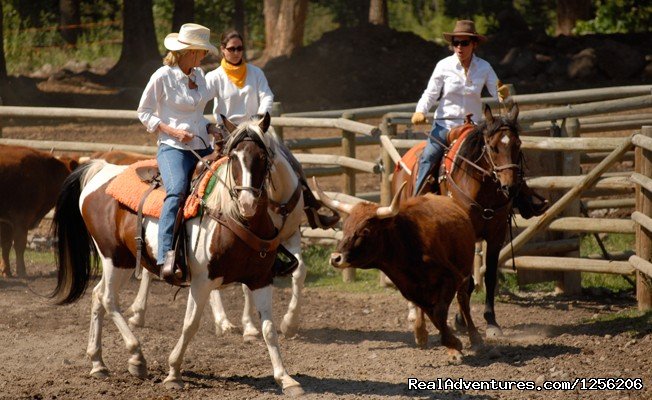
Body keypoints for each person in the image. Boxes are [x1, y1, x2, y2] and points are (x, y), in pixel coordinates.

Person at [411, 19, 547, 218]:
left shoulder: (484, 67)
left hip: (473, 127)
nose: (459, 47)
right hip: (445, 125)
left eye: (464, 43)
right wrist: (420, 110)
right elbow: (431, 93)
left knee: (503, 156)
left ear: (474, 44)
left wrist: (504, 96)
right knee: (429, 157)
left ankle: (523, 201)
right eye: (455, 43)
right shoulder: (443, 66)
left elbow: (497, 90)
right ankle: (415, 203)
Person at [205, 30, 339, 229]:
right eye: (231, 49)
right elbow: (199, 102)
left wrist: (260, 117)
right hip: (228, 134)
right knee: (208, 174)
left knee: (292, 163)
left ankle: (313, 212)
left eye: (239, 48)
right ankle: (206, 217)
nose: (236, 52)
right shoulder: (214, 77)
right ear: (222, 50)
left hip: (256, 131)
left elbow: (267, 95)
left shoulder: (255, 72)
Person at [137, 23, 221, 283]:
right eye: (201, 51)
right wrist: (173, 132)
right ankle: (166, 256)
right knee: (176, 191)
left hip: (201, 146)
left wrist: (209, 126)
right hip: (172, 148)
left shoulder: (200, 75)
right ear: (188, 52)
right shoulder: (162, 76)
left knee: (226, 185)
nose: (204, 56)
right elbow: (144, 113)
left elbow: (195, 115)